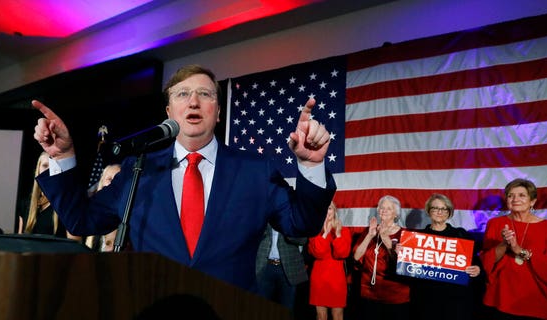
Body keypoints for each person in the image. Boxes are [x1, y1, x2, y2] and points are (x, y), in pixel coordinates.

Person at [31, 64, 337, 292]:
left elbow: (302, 223)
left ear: (217, 112)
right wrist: (62, 156)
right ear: (169, 111)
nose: (193, 101)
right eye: (182, 94)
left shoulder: (255, 170)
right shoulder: (139, 169)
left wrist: (310, 165)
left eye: (205, 94)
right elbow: (81, 221)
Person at [479, 178, 547, 320]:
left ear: (532, 201)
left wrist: (518, 249)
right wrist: (504, 244)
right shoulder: (495, 224)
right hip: (502, 296)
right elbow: (487, 262)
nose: (515, 199)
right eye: (510, 195)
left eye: (522, 195)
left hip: (537, 297)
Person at [409, 193, 484, 320]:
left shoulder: (461, 235)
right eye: (435, 208)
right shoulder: (417, 237)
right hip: (426, 299)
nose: (439, 212)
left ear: (449, 212)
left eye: (444, 209)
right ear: (428, 211)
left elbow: (476, 263)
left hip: (454, 300)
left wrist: (477, 270)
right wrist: (401, 253)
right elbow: (408, 270)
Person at [352, 195, 410, 319]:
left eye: (388, 208)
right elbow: (356, 257)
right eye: (381, 208)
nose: (383, 210)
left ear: (396, 214)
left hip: (395, 294)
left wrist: (385, 239)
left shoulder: (405, 234)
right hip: (369, 292)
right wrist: (369, 236)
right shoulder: (370, 230)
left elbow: (403, 264)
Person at [19, 151, 81, 241]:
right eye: (45, 165)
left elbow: (75, 245)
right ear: (38, 170)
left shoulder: (67, 204)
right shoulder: (25, 204)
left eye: (53, 166)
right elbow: (19, 240)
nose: (49, 170)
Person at [308, 201, 352, 320]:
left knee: (338, 315)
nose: (327, 212)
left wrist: (337, 235)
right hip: (319, 279)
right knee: (321, 316)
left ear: (334, 211)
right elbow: (318, 253)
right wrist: (325, 233)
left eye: (329, 208)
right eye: (324, 208)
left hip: (337, 280)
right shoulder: (314, 231)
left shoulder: (344, 231)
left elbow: (342, 254)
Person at [255, 224, 308, 313]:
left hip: (288, 268)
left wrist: (286, 229)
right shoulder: (263, 211)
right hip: (264, 266)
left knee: (287, 308)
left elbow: (303, 240)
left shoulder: (293, 215)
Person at [85, 163, 122, 252]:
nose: (112, 183)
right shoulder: (89, 214)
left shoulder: (123, 219)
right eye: (109, 179)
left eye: (116, 180)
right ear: (101, 182)